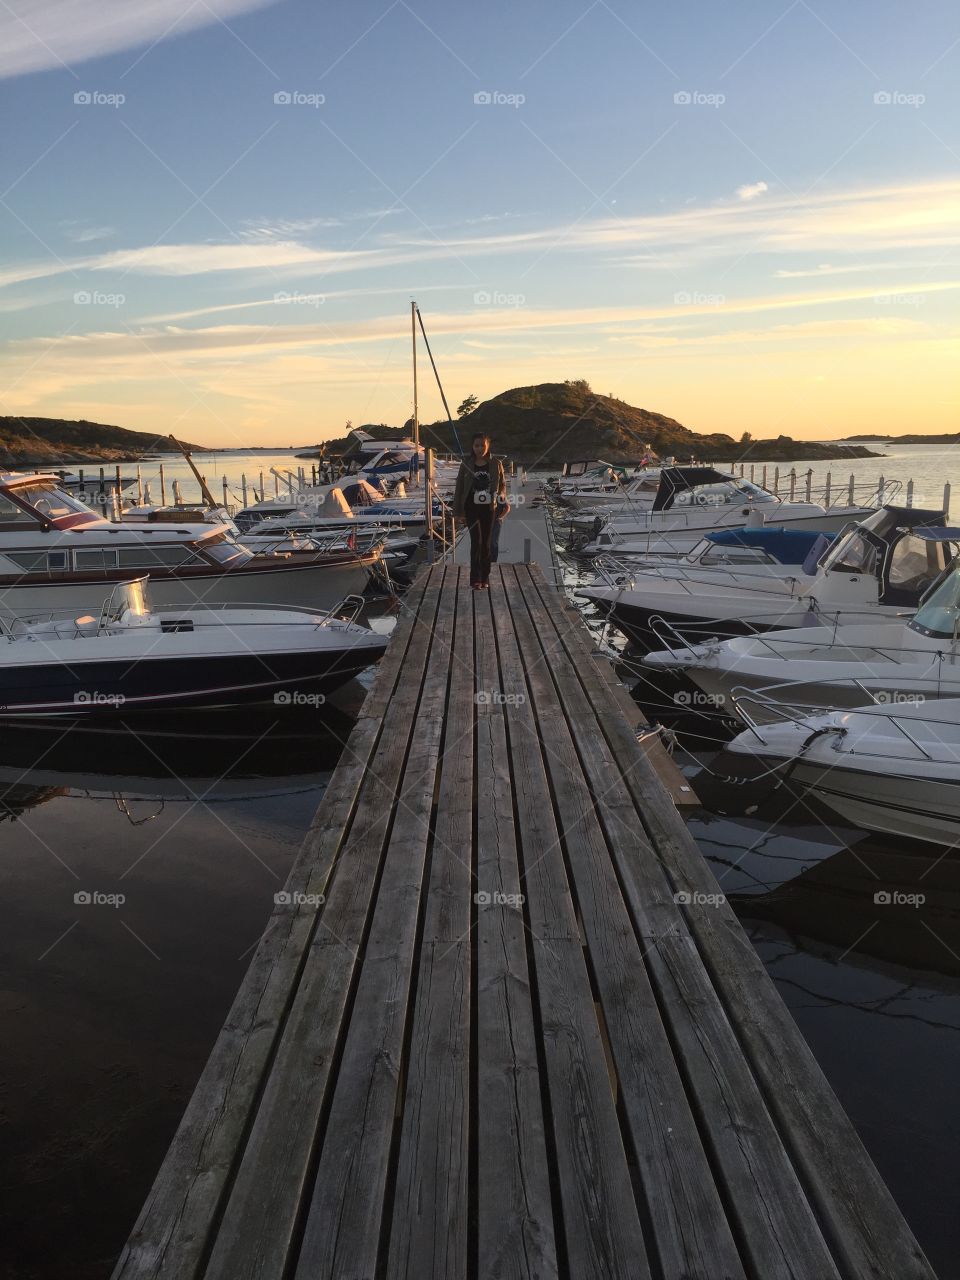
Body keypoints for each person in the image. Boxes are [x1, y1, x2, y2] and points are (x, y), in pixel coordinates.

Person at [452, 433, 507, 589]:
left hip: (489, 508)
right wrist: (457, 512)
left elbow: (502, 485)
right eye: (476, 445)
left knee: (487, 544)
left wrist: (503, 499)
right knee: (476, 541)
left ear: (488, 446)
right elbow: (459, 487)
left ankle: (485, 577)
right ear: (472, 447)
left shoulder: (496, 463)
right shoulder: (466, 463)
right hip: (471, 507)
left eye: (482, 445)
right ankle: (475, 578)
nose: (479, 448)